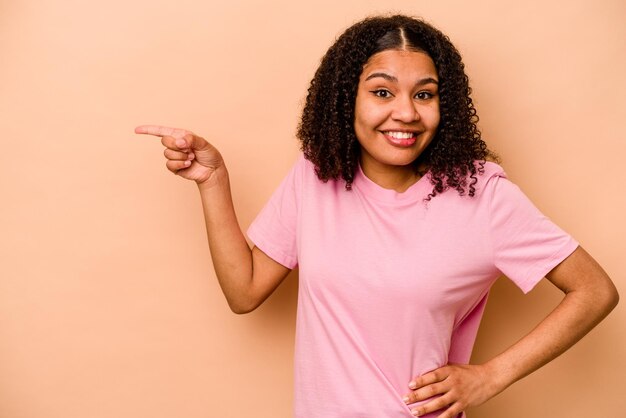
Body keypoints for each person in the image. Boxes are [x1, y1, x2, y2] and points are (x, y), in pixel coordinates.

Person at [135, 15, 618, 418]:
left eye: (424, 95)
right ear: (348, 101)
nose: (406, 112)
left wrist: (490, 376)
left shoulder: (482, 194)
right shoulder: (316, 176)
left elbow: (595, 291)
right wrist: (213, 180)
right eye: (383, 93)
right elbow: (245, 292)